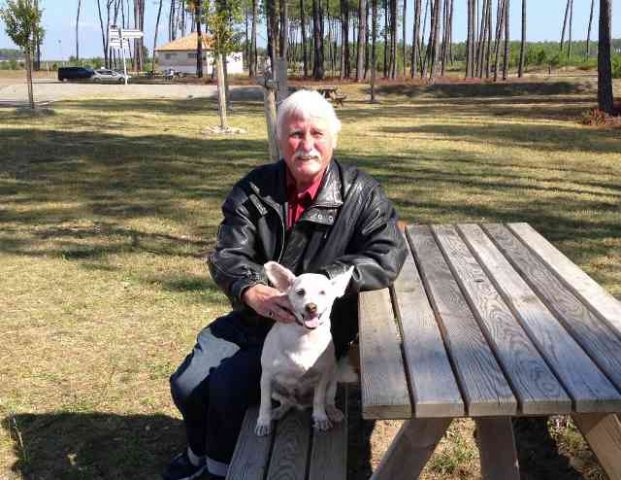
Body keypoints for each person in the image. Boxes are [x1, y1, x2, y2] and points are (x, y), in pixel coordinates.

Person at [162, 89, 407, 480]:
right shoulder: (253, 190)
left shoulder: (363, 194)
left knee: (225, 387)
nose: (306, 145)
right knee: (187, 383)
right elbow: (228, 253)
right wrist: (251, 290)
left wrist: (324, 283)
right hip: (254, 316)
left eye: (317, 134)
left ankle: (220, 470)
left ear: (333, 139)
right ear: (279, 140)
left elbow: (386, 255)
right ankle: (197, 455)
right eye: (295, 134)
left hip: (314, 333)